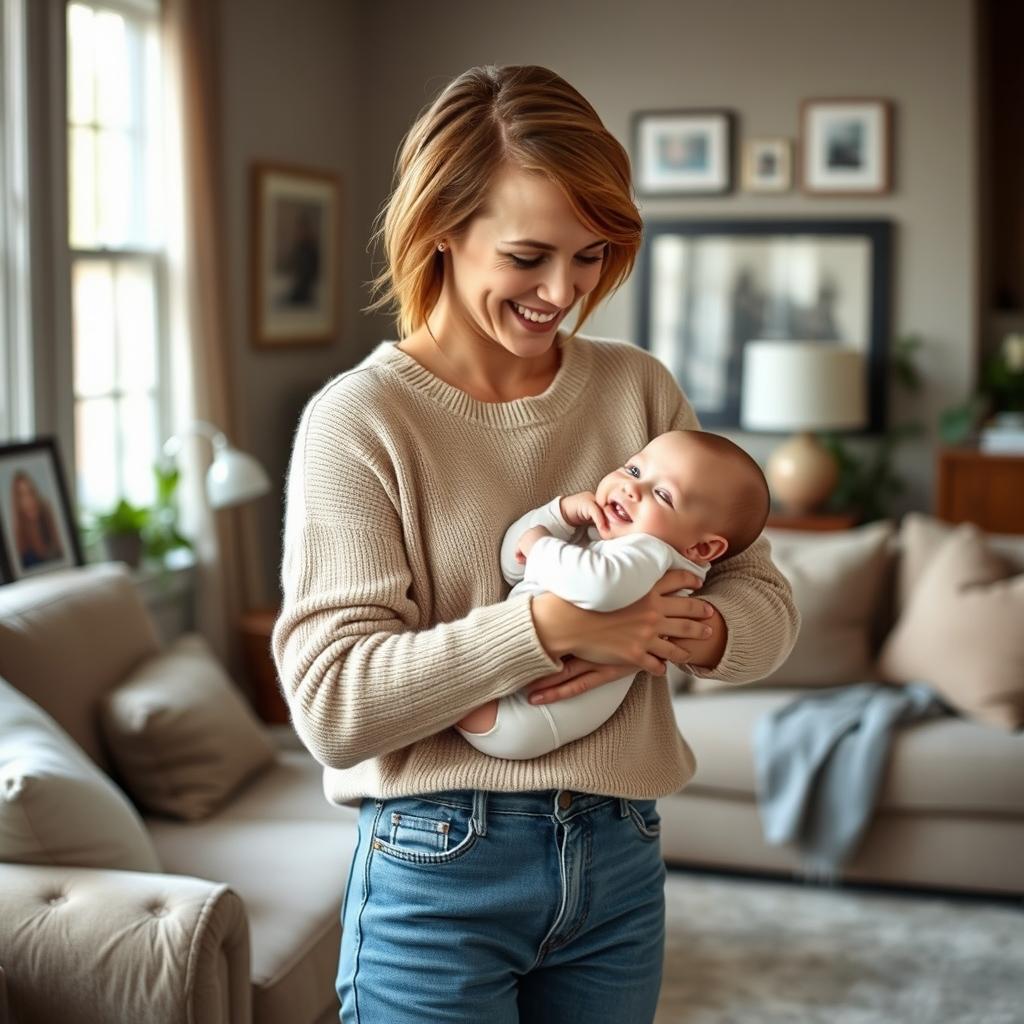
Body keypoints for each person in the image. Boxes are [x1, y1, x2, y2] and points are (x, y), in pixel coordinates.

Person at [272, 64, 799, 1023]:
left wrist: (669, 629)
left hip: (619, 853)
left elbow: (763, 611)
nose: (566, 290)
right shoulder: (360, 420)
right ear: (441, 231)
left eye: (593, 254)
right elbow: (334, 704)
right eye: (529, 256)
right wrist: (556, 627)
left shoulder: (638, 390)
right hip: (437, 866)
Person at [455, 429, 770, 759]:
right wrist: (558, 515)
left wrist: (539, 543)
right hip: (522, 702)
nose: (632, 489)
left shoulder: (650, 551)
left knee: (445, 689)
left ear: (701, 547)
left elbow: (597, 586)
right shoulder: (616, 541)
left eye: (663, 495)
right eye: (634, 470)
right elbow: (515, 567)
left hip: (528, 714)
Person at [11, 471, 64, 571]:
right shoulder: (25, 552)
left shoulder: (48, 526)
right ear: (18, 503)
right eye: (22, 495)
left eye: (30, 492)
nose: (29, 500)